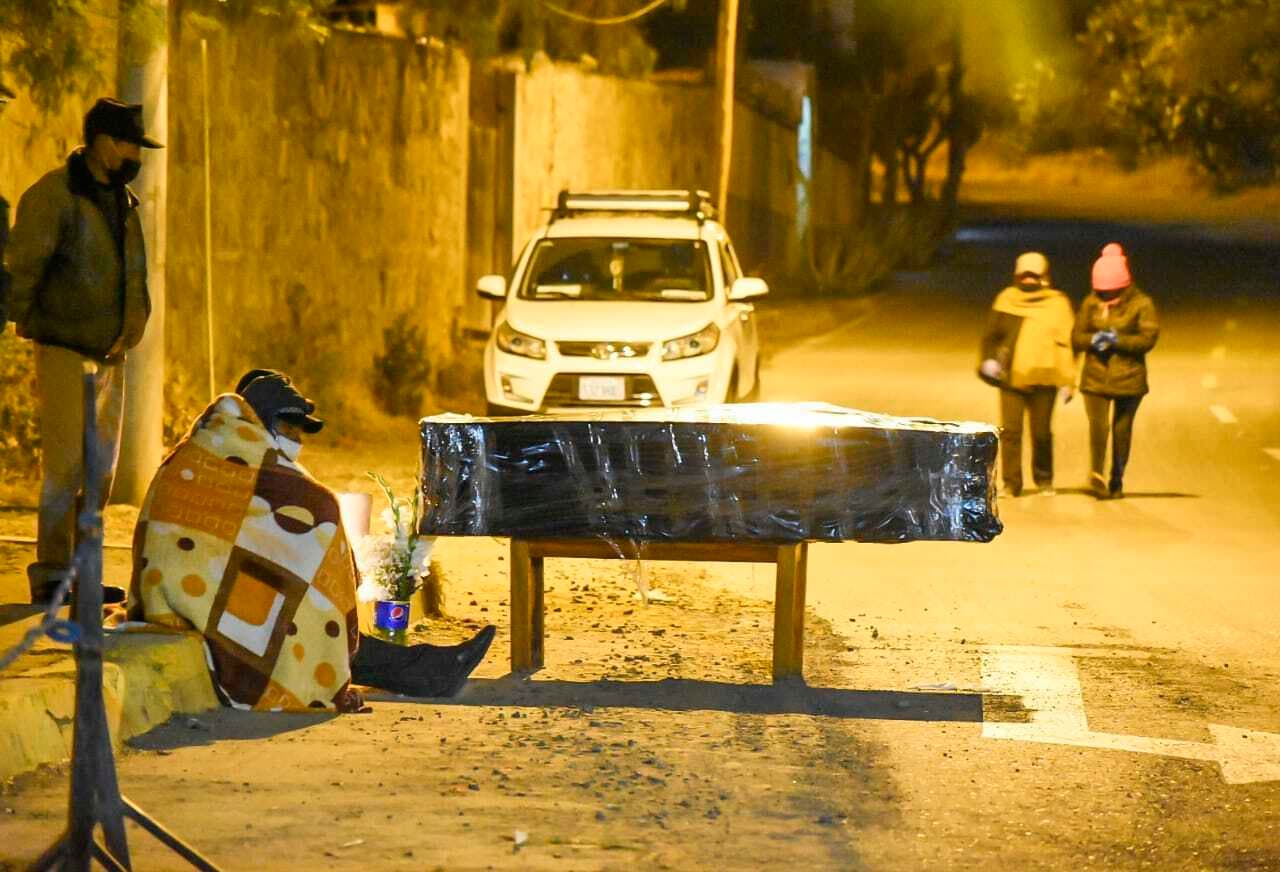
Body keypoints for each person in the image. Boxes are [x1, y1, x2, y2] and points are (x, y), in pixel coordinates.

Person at [127, 369, 495, 712]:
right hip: (185, 603)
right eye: (292, 430)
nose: (299, 441)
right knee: (308, 620)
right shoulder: (230, 467)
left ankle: (428, 668)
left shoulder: (211, 455)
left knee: (307, 618)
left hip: (191, 595)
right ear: (264, 425)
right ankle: (427, 671)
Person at [6, 98, 162, 605]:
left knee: (98, 473)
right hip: (66, 350)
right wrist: (24, 322)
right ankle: (52, 573)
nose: (136, 154)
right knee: (66, 468)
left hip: (111, 354)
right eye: (129, 143)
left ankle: (82, 574)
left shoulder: (123, 202)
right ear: (103, 142)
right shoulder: (55, 196)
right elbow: (23, 268)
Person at [978, 252, 1077, 497]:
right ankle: (1011, 483)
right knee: (1010, 432)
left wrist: (1068, 380)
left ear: (1045, 276)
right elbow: (991, 336)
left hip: (1046, 377)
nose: (1029, 280)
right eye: (1025, 275)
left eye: (1034, 275)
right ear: (1016, 276)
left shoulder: (1058, 305)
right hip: (1011, 377)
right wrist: (988, 360)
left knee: (1041, 432)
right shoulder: (1006, 300)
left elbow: (1068, 344)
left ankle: (1044, 479)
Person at [1072, 243, 1159, 499]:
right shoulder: (1091, 302)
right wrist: (1093, 340)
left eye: (1110, 293)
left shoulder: (1142, 304)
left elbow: (1148, 339)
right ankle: (1096, 473)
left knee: (1122, 430)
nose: (1105, 297)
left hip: (1129, 378)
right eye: (1101, 292)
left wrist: (1117, 340)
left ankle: (1116, 478)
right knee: (1098, 426)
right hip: (1095, 377)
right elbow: (1076, 336)